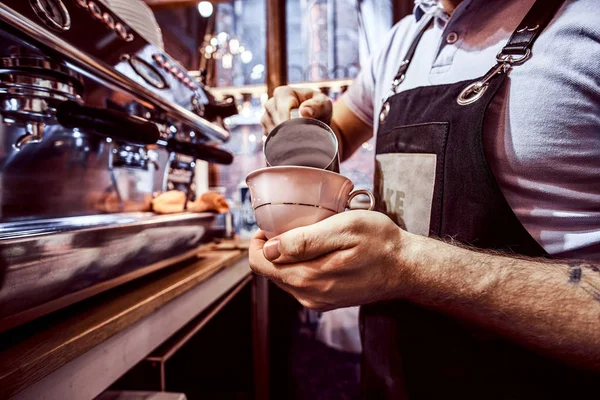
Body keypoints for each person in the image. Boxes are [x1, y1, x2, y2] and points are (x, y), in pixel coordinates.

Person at [251, 0, 600, 398]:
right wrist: (307, 119)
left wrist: (406, 265)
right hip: (390, 376)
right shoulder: (404, 40)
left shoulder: (588, 22)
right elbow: (337, 134)